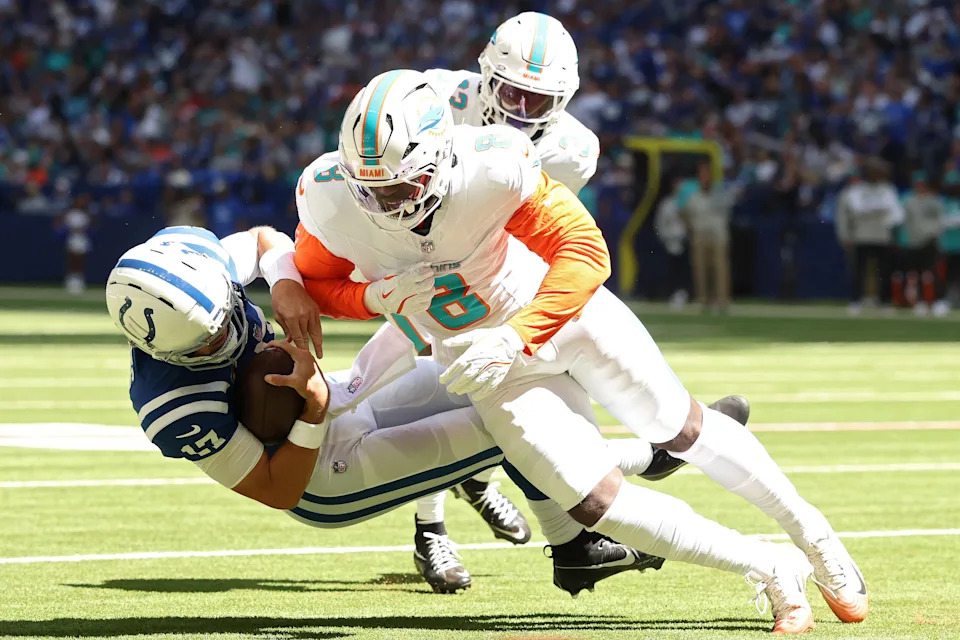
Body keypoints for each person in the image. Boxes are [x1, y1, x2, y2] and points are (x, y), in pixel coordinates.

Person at [294, 69, 868, 633]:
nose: (386, 203)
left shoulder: (492, 165)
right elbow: (317, 284)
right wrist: (369, 296)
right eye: (371, 188)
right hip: (489, 368)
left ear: (441, 156)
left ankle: (815, 538)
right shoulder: (331, 198)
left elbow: (585, 250)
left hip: (564, 318)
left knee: (680, 427)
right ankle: (770, 566)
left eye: (400, 185)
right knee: (594, 503)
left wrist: (516, 334)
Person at [106, 225, 664, 595]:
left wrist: (284, 282)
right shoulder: (175, 405)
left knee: (507, 371)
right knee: (505, 421)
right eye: (210, 340)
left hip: (341, 398)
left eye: (230, 313)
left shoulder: (190, 264)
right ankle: (617, 492)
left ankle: (589, 518)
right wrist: (316, 410)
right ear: (168, 352)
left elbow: (261, 239)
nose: (230, 331)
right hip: (323, 478)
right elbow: (278, 490)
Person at [835, 159, 904, 313]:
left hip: (882, 236)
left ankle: (884, 301)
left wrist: (894, 233)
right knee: (859, 271)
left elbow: (897, 215)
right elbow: (845, 216)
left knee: (884, 271)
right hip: (861, 236)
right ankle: (856, 300)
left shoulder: (888, 190)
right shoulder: (854, 191)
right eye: (874, 172)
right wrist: (845, 234)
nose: (876, 175)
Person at [682, 161, 736, 313]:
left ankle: (722, 301)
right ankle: (703, 299)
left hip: (718, 236)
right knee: (700, 268)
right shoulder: (694, 196)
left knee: (720, 268)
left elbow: (728, 212)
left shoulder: (720, 194)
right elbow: (685, 214)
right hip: (700, 236)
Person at [899, 172, 946, 316]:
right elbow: (904, 221)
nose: (920, 187)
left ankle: (936, 301)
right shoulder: (908, 201)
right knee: (914, 273)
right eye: (918, 184)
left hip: (929, 240)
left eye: (922, 184)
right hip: (913, 241)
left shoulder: (934, 201)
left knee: (932, 273)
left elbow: (940, 219)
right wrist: (905, 238)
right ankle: (919, 301)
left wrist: (934, 233)